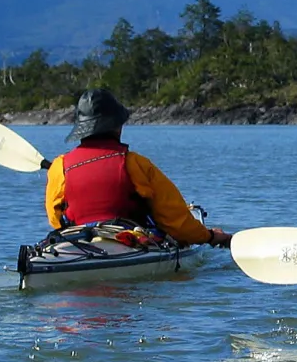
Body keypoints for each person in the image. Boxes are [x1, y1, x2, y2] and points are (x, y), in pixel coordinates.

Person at [45, 88, 231, 247]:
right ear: (117, 126)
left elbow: (56, 220)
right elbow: (176, 221)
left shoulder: (59, 166)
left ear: (81, 129)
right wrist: (211, 236)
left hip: (78, 244)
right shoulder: (135, 164)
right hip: (130, 243)